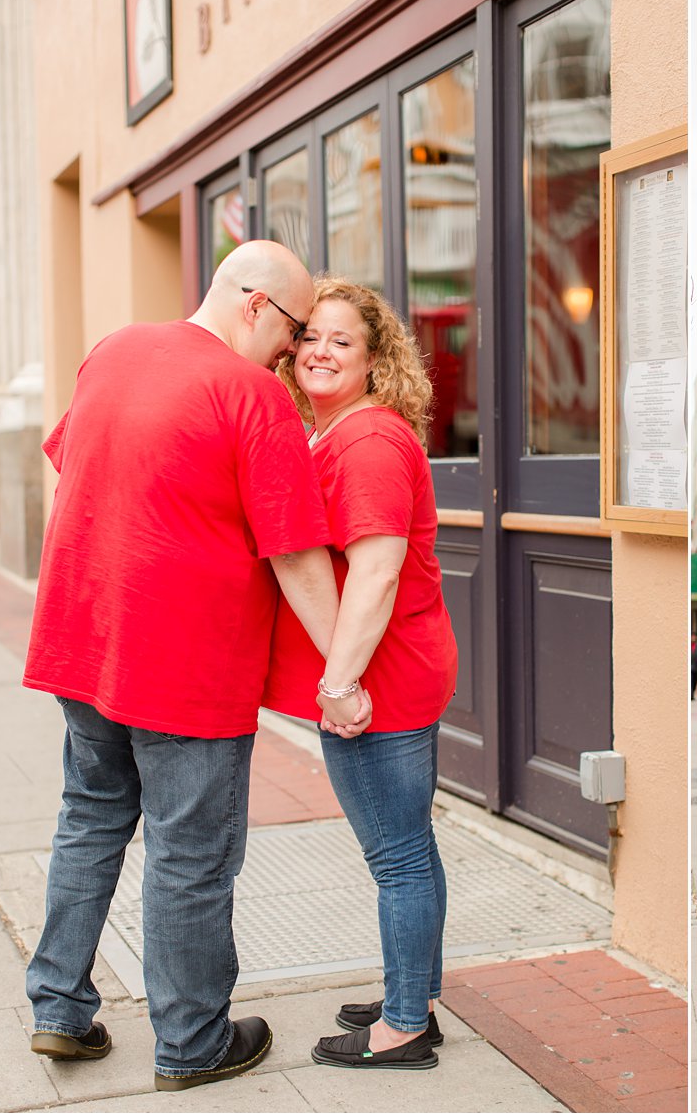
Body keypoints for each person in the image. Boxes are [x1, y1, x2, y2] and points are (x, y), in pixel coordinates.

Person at [22, 241, 369, 1091]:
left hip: (84, 642)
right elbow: (297, 556)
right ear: (255, 305)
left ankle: (59, 1007)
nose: (295, 354)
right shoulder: (252, 395)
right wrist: (347, 672)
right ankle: (192, 1038)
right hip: (187, 664)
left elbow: (80, 468)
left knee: (91, 818)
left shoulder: (113, 351)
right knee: (190, 853)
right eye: (292, 332)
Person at [263, 278, 459, 1071]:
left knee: (399, 858)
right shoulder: (339, 433)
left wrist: (338, 685)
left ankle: (405, 1025)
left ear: (377, 361)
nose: (318, 350)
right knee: (411, 848)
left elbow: (375, 575)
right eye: (310, 336)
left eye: (341, 340)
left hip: (382, 686)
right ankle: (418, 993)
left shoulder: (367, 441)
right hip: (397, 674)